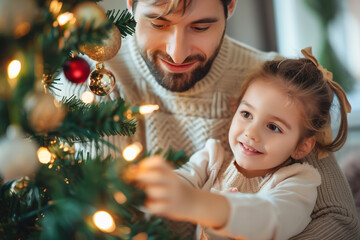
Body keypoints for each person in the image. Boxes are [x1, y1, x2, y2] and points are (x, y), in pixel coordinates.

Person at [57, 0, 360, 239]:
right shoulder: (91, 77)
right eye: (158, 23)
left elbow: (338, 223)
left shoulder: (275, 83)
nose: (176, 54)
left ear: (230, 7)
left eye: (200, 27)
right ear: (131, 3)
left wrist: (204, 206)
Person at [130, 48, 351, 240]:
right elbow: (179, 183)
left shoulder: (297, 182)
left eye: (274, 127)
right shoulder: (212, 158)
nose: (251, 133)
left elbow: (272, 217)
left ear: (302, 146)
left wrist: (197, 203)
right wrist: (145, 186)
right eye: (246, 114)